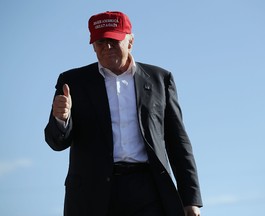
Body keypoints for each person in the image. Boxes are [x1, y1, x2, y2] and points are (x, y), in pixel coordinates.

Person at [45, 11, 203, 216]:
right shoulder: (73, 82)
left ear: (130, 41)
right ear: (93, 45)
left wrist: (190, 199)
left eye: (113, 40)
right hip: (93, 194)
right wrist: (61, 119)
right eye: (100, 42)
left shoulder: (160, 79)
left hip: (149, 189)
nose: (107, 47)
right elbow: (56, 142)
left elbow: (178, 142)